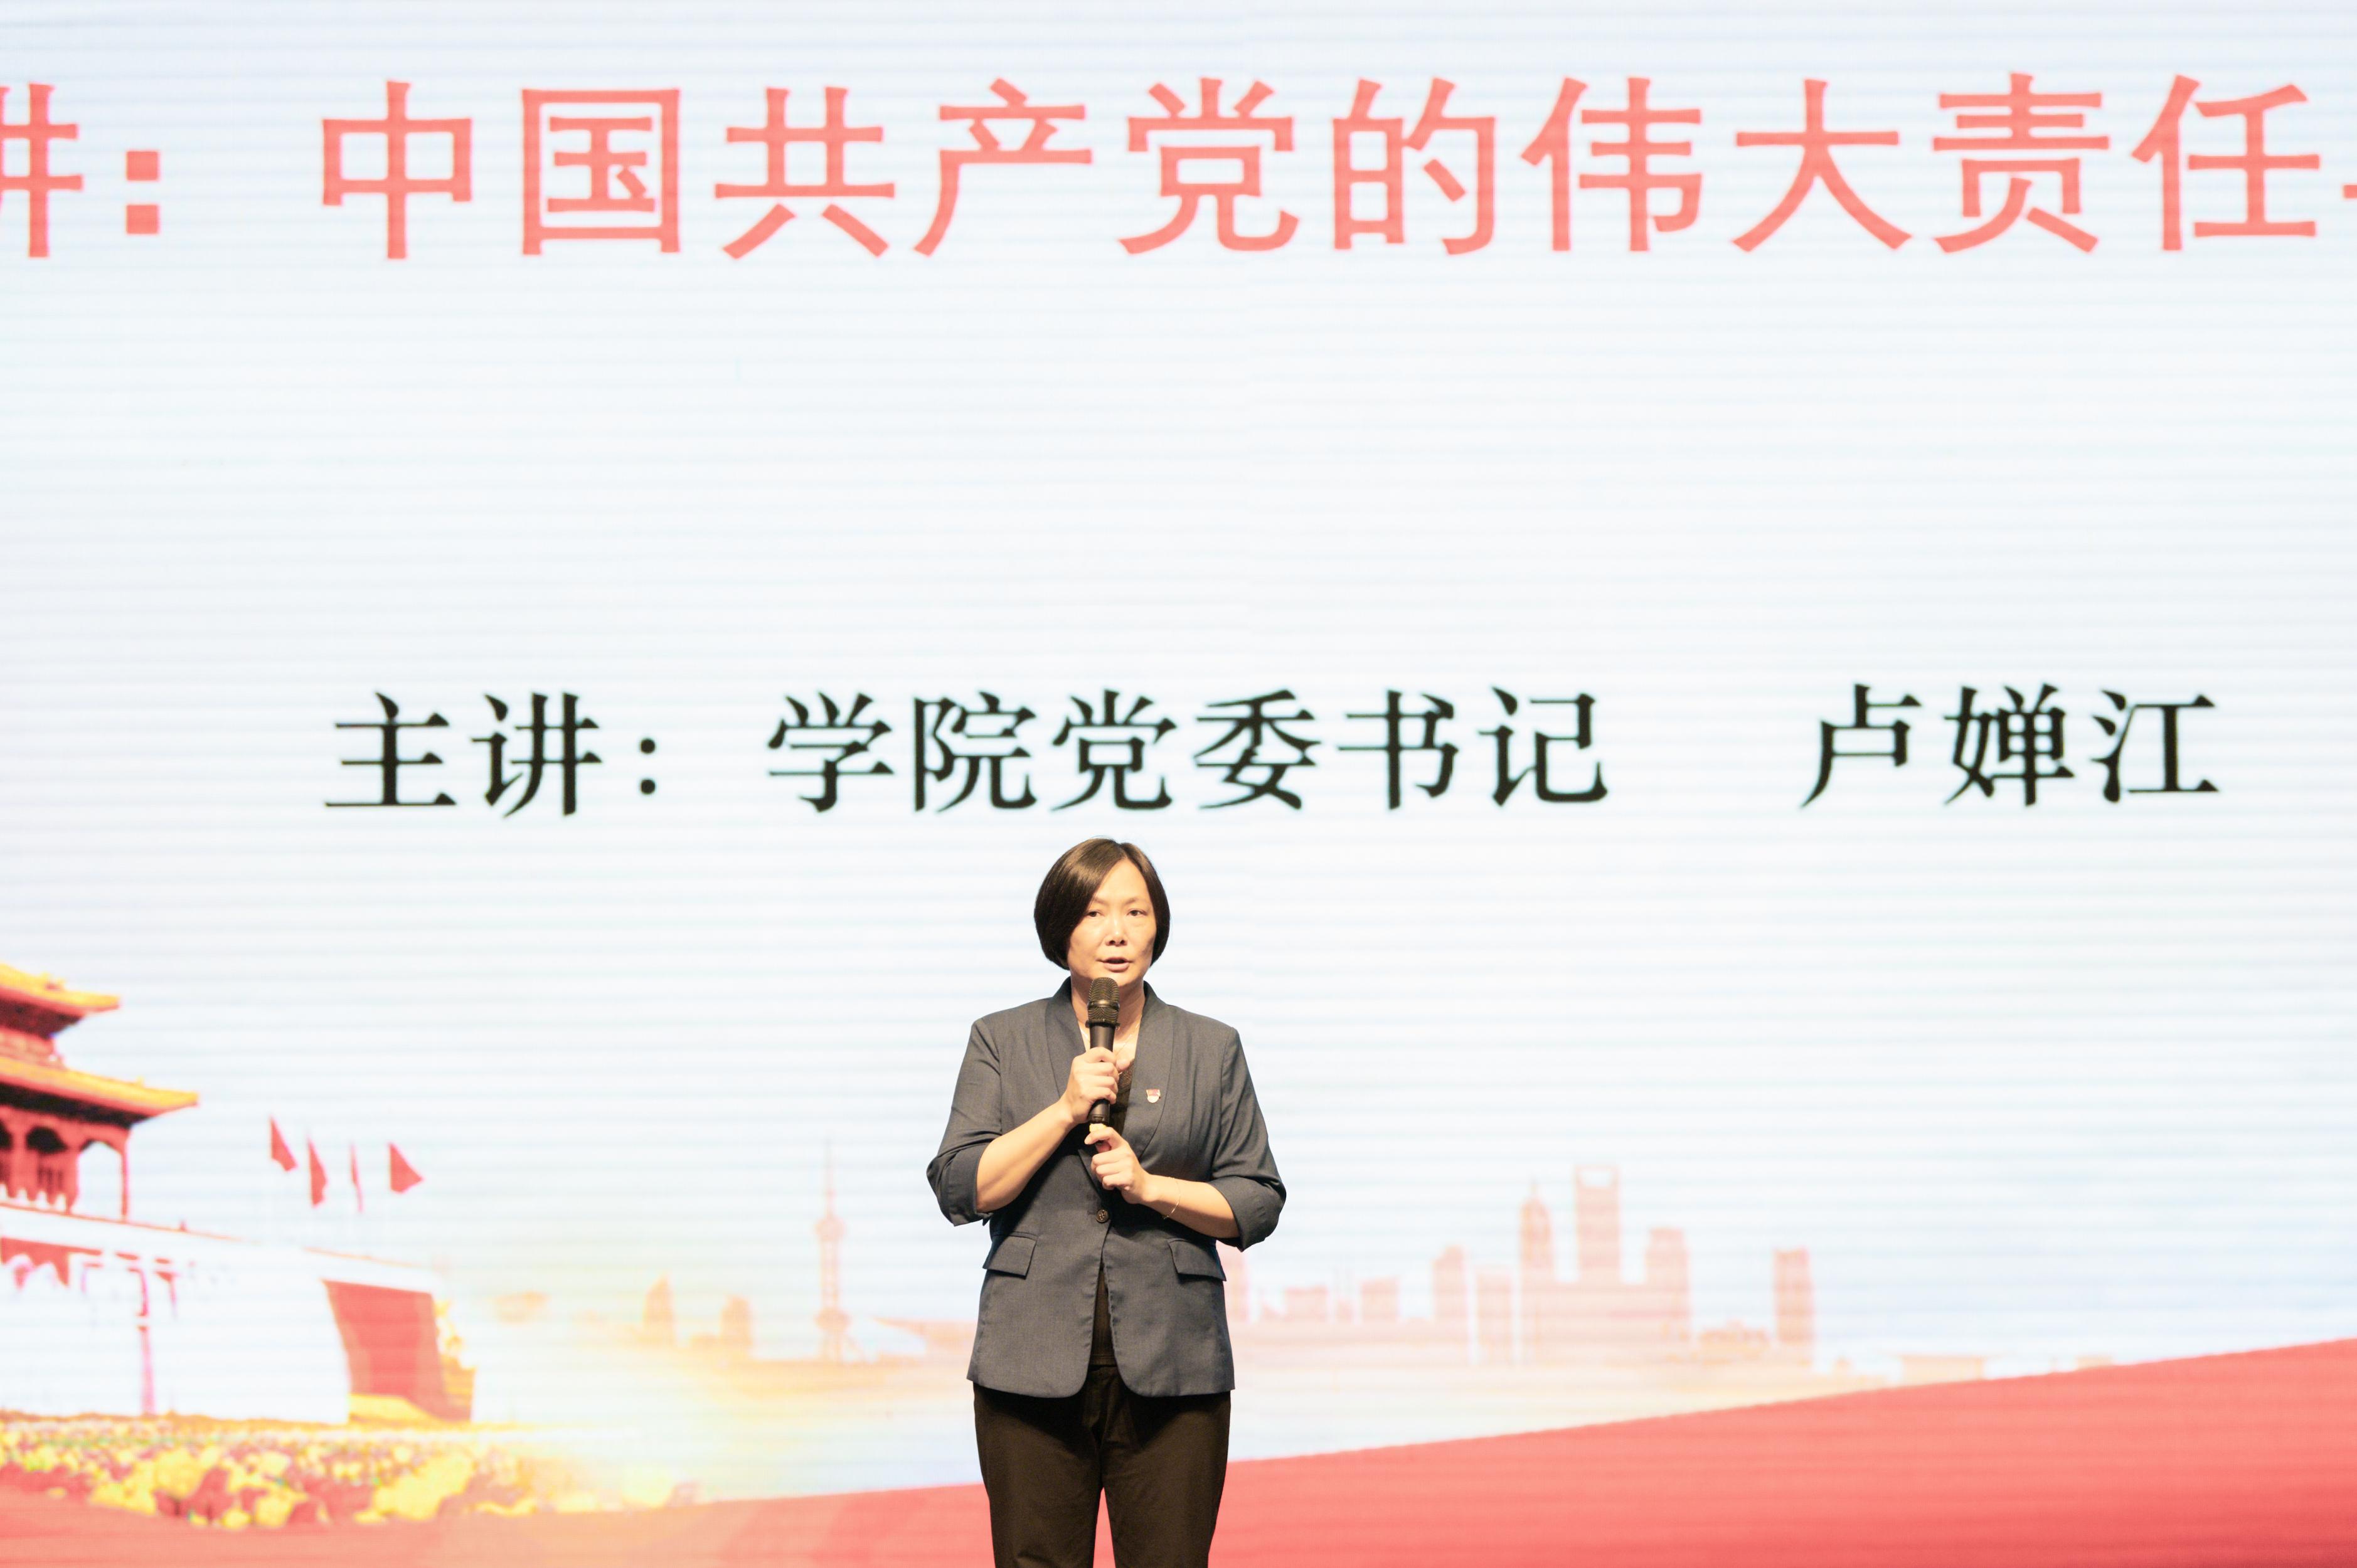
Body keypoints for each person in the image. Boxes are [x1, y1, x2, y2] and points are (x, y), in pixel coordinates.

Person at [927, 838, 1285, 1568]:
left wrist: (1153, 1189)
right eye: (1094, 913)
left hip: (1175, 1362)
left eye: (1135, 912)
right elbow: (962, 1187)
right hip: (1029, 1359)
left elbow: (1256, 1199)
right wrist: (1064, 1108)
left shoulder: (1211, 1046)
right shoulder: (1001, 1038)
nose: (1116, 932)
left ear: (1159, 927)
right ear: (1060, 929)